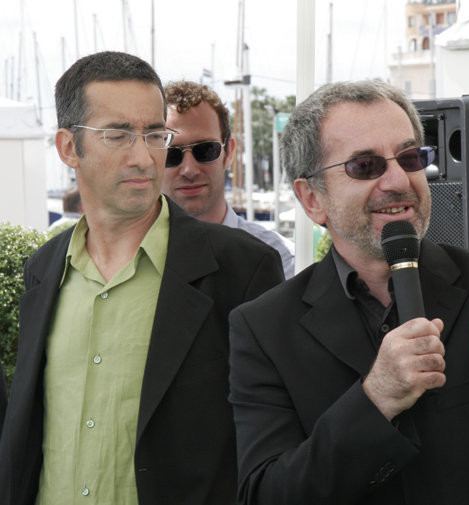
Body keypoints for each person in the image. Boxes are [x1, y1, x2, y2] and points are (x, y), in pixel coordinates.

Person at [228, 80, 469, 505]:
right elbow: (266, 496)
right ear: (312, 199)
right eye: (365, 166)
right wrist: (376, 398)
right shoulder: (264, 328)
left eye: (410, 157)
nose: (399, 180)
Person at [0, 51, 284, 505]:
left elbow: (272, 448)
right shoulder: (42, 270)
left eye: (154, 134)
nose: (144, 157)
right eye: (117, 135)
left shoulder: (243, 268)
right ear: (69, 148)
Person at [161, 81, 295, 279]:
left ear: (229, 152)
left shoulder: (281, 260)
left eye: (205, 149)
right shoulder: (129, 257)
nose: (189, 169)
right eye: (171, 153)